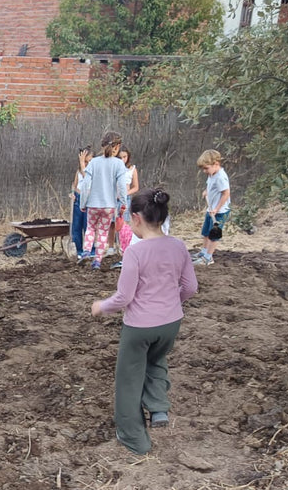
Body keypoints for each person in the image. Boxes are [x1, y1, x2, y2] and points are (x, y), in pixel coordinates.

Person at [91, 188, 198, 455]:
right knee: (156, 360)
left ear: (137, 218)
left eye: (129, 219)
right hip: (171, 323)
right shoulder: (179, 246)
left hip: (139, 327)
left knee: (128, 379)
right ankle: (159, 408)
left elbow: (124, 297)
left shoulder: (135, 253)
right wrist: (171, 304)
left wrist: (100, 307)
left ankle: (135, 439)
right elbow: (191, 287)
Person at [78, 131, 129, 269]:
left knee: (90, 229)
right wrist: (123, 204)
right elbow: (122, 187)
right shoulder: (118, 164)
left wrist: (83, 203)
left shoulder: (94, 162)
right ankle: (97, 262)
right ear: (117, 147)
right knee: (103, 232)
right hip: (109, 206)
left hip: (93, 204)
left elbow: (85, 185)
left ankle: (86, 252)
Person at [193, 149, 230, 266]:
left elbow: (226, 193)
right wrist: (206, 191)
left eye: (206, 168)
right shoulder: (212, 174)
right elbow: (211, 186)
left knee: (213, 236)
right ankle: (204, 253)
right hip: (211, 210)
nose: (204, 171)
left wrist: (217, 209)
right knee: (206, 233)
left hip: (219, 212)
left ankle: (208, 258)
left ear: (216, 164)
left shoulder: (220, 177)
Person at [70, 145, 92, 259]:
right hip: (78, 198)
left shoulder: (92, 171)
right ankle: (78, 250)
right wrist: (73, 193)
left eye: (88, 161)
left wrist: (83, 163)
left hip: (89, 200)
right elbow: (75, 184)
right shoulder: (78, 171)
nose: (86, 164)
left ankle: (91, 251)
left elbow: (87, 177)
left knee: (89, 226)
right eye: (85, 162)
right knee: (77, 226)